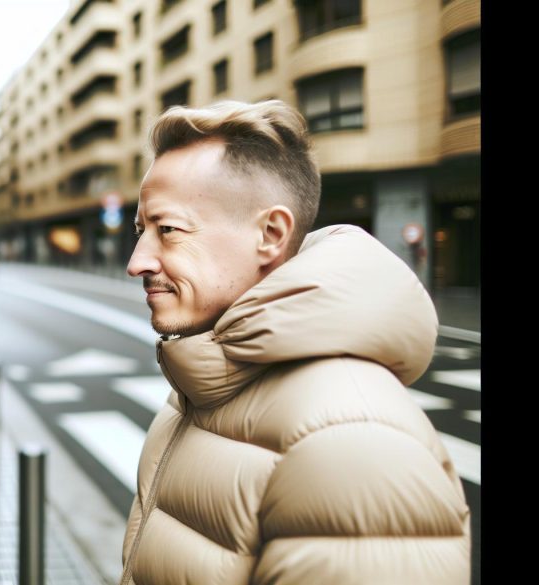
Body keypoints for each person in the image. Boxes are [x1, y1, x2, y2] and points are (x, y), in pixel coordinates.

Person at [120, 101, 471, 584]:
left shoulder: (352, 443)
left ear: (270, 233)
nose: (138, 261)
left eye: (168, 230)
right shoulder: (201, 387)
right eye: (142, 231)